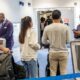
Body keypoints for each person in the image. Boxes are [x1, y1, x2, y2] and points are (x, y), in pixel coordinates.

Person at [42, 10, 70, 76]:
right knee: (63, 72)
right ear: (60, 17)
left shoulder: (47, 28)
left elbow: (43, 41)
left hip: (52, 52)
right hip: (63, 52)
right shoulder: (66, 27)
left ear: (52, 17)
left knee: (53, 72)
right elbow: (68, 41)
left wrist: (50, 41)